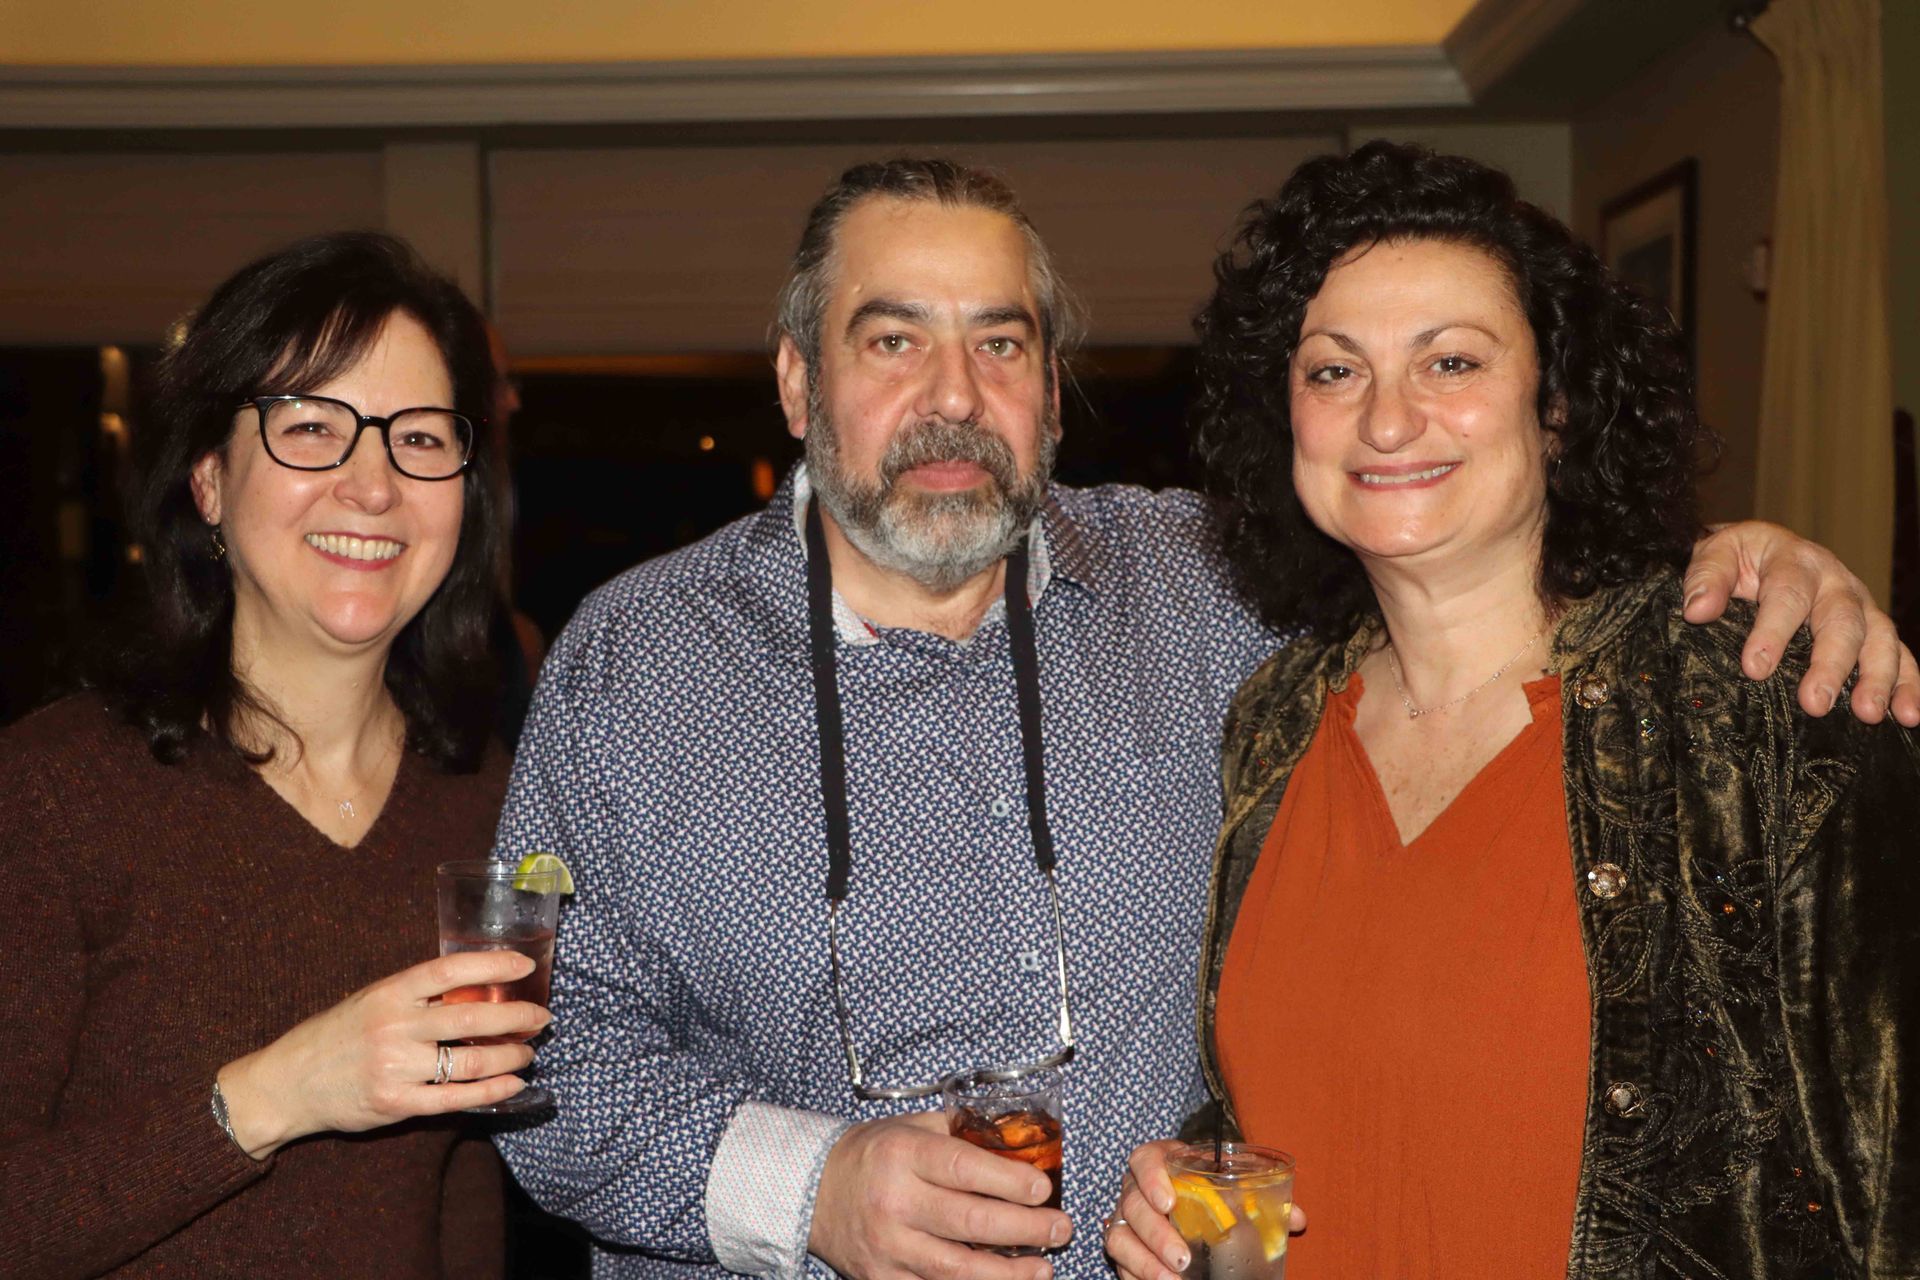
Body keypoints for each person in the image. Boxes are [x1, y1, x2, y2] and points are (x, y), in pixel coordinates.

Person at [490, 157, 1916, 1280]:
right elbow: (534, 1057)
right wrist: (813, 1190)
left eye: (1001, 342)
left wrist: (1751, 560)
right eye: (890, 340)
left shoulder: (1209, 598)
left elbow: (1471, 558)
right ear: (799, 381)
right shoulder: (631, 669)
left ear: (1053, 390)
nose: (952, 399)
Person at [1102, 142, 1919, 1278]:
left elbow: (1889, 1183)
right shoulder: (1274, 720)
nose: (1388, 420)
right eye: (1335, 370)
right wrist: (1187, 1183)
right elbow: (1327, 1098)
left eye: (1451, 361)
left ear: (1559, 406)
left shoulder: (1753, 704)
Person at [0, 232, 550, 1278]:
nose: (373, 484)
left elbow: (460, 1188)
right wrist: (276, 1094)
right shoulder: (51, 791)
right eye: (312, 428)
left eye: (421, 439)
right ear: (208, 479)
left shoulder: (486, 805)